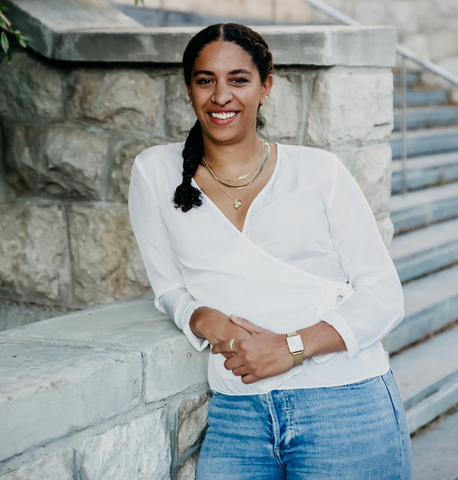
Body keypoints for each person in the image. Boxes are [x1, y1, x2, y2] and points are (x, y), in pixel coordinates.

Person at [128, 23, 412, 480]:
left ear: (265, 87)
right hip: (237, 413)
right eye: (206, 80)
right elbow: (169, 289)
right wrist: (199, 317)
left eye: (238, 79)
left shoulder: (320, 171)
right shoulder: (155, 173)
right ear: (189, 89)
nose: (221, 95)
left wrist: (292, 347)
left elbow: (383, 295)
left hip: (344, 404)